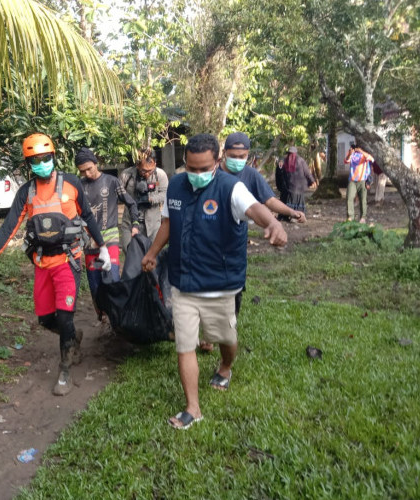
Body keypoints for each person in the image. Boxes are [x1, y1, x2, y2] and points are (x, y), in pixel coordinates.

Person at [140, 133, 287, 430]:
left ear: (217, 163)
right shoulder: (177, 185)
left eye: (203, 169)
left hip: (220, 283)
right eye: (191, 168)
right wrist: (153, 252)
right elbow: (168, 223)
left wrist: (272, 223)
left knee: (225, 339)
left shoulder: (232, 188)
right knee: (184, 345)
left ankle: (226, 366)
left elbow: (255, 209)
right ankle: (193, 408)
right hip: (183, 281)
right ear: (185, 163)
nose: (196, 175)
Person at [0, 133, 110, 397]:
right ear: (29, 164)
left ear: (54, 157)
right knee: (46, 319)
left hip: (68, 261)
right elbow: (9, 226)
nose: (42, 163)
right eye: (36, 160)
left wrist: (102, 247)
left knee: (64, 314)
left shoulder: (71, 184)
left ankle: (65, 370)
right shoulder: (26, 192)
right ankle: (72, 335)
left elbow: (87, 216)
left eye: (46, 158)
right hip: (41, 263)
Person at [198, 132, 304, 353]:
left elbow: (269, 201)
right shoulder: (209, 174)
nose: (238, 159)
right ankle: (207, 334)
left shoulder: (250, 175)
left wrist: (290, 212)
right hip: (207, 242)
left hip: (235, 245)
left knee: (233, 292)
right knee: (205, 289)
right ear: (223, 154)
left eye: (242, 155)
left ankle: (226, 332)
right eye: (233, 155)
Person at [75, 147, 140, 319]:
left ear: (96, 164)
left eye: (89, 168)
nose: (87, 173)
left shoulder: (112, 182)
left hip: (110, 238)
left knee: (111, 278)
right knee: (95, 284)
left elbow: (131, 203)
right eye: (83, 171)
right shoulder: (79, 186)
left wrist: (135, 224)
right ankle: (102, 316)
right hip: (89, 242)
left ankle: (118, 318)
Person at [119, 148, 168, 253]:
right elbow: (118, 195)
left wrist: (150, 199)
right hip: (130, 222)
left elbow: (165, 194)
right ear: (137, 165)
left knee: (155, 254)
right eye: (143, 171)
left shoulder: (160, 175)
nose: (147, 174)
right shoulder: (126, 175)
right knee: (128, 251)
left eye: (150, 170)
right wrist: (132, 201)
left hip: (153, 224)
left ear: (155, 163)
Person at [276, 146, 316, 222]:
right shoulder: (300, 161)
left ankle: (286, 216)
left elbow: (278, 174)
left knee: (286, 201)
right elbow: (307, 172)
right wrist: (312, 181)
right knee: (296, 202)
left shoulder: (283, 161)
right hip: (298, 188)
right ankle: (297, 216)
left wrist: (279, 186)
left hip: (288, 189)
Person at [344, 143, 374, 223]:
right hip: (352, 180)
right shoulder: (352, 154)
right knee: (349, 198)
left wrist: (361, 151)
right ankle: (350, 216)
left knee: (363, 199)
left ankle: (363, 217)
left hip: (362, 180)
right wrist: (350, 154)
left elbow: (371, 159)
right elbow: (346, 161)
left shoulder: (364, 155)